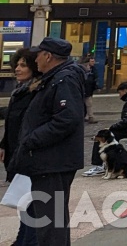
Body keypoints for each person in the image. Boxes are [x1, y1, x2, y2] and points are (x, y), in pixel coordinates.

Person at [13, 37, 86, 246]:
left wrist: (31, 140)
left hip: (53, 162)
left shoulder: (64, 79)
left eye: (38, 54)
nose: (35, 59)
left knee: (50, 224)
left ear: (48, 56)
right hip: (49, 161)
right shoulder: (54, 78)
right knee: (50, 222)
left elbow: (68, 118)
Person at [2, 48, 42, 246]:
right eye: (16, 64)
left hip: (28, 154)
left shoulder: (36, 92)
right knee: (24, 202)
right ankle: (23, 239)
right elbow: (12, 121)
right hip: (15, 153)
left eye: (23, 65)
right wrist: (3, 144)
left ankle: (27, 241)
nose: (17, 69)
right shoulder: (20, 90)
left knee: (31, 202)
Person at [82, 80, 127, 177]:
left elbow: (126, 121)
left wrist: (111, 128)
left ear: (125, 91)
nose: (119, 95)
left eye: (120, 92)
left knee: (101, 137)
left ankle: (98, 165)